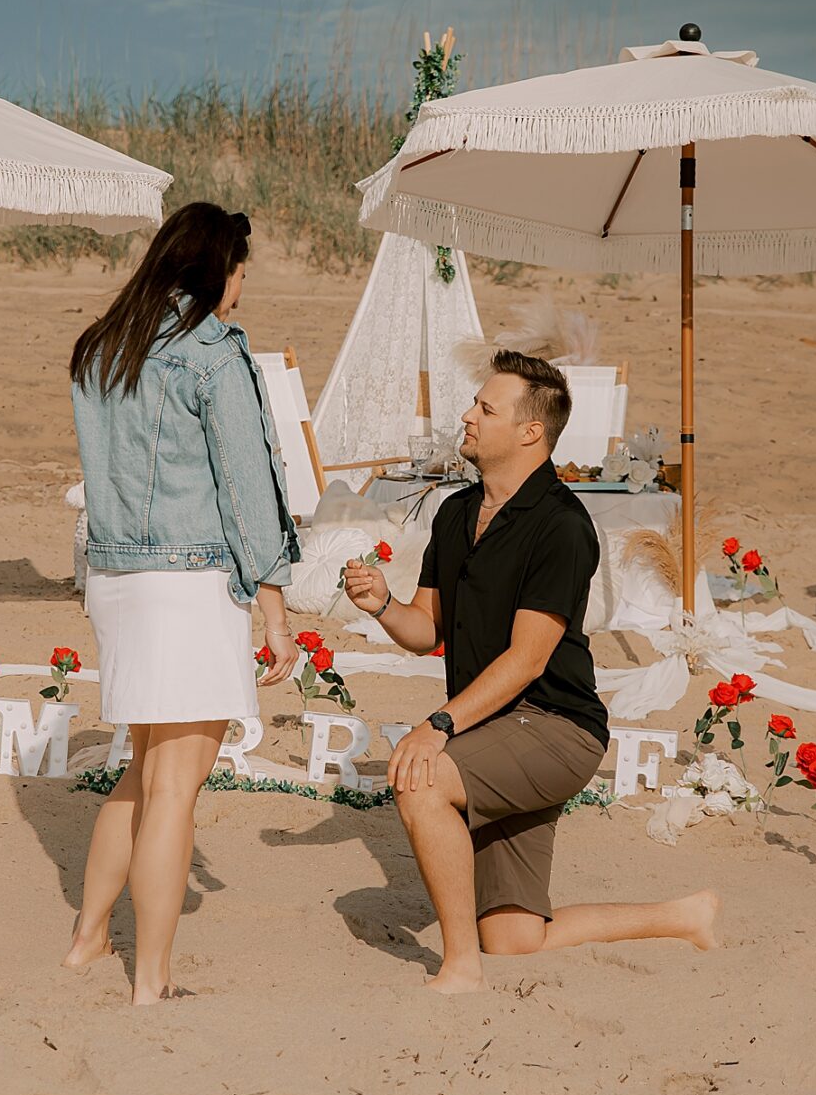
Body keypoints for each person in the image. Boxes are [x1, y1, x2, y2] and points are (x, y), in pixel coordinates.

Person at [342, 352, 719, 995]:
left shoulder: (563, 527)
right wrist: (381, 605)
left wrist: (439, 724)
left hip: (556, 729)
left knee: (420, 779)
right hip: (496, 728)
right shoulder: (456, 513)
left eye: (485, 408)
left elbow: (528, 659)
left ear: (528, 432)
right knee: (515, 938)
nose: (467, 416)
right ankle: (683, 916)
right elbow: (427, 631)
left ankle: (459, 970)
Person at [67, 201, 302, 1004]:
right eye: (240, 272)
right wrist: (274, 603)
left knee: (141, 767)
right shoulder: (211, 351)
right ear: (217, 270)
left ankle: (89, 938)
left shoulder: (104, 346)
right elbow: (246, 484)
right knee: (176, 784)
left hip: (117, 581)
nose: (241, 290)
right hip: (189, 580)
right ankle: (152, 980)